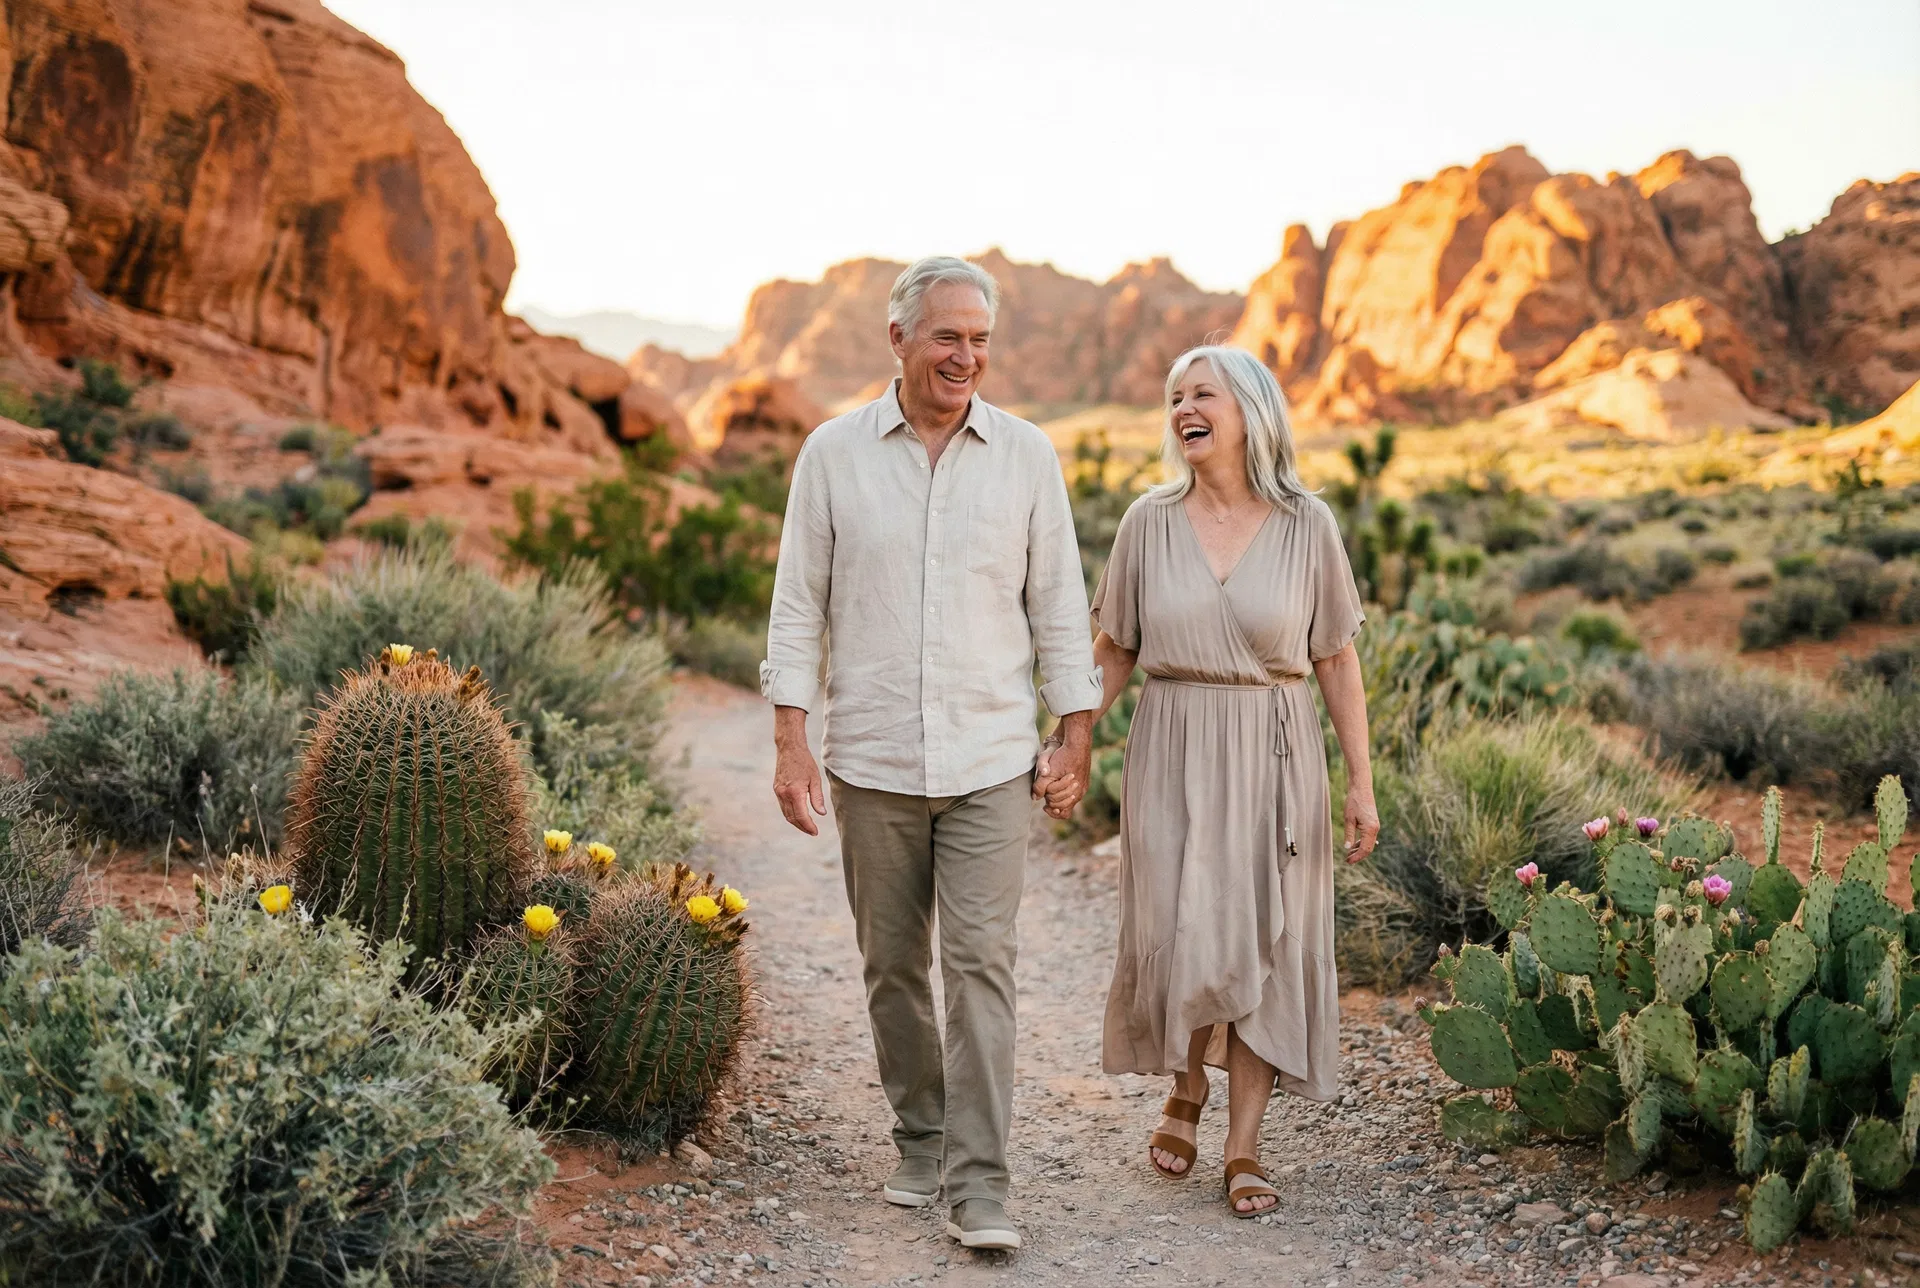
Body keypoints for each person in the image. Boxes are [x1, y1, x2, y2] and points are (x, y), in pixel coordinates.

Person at [761, 256, 1101, 1252]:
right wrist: (792, 735)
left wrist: (1073, 734)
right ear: (899, 339)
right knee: (892, 966)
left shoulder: (1027, 456)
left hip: (991, 758)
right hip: (872, 758)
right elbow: (797, 605)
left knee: (981, 967)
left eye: (981, 339)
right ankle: (921, 1133)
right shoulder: (831, 453)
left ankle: (981, 1182)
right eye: (949, 335)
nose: (968, 355)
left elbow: (1060, 607)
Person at [1047, 344, 1378, 1217]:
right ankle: (1187, 1081)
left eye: (1203, 394)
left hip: (1276, 744)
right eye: (1174, 397)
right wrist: (1073, 740)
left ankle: (1243, 1144)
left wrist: (1361, 784)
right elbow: (1114, 647)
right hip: (1174, 742)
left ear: (1251, 411)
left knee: (1267, 940)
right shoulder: (1147, 523)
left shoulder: (1309, 524)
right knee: (1187, 920)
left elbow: (1336, 659)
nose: (1183, 409)